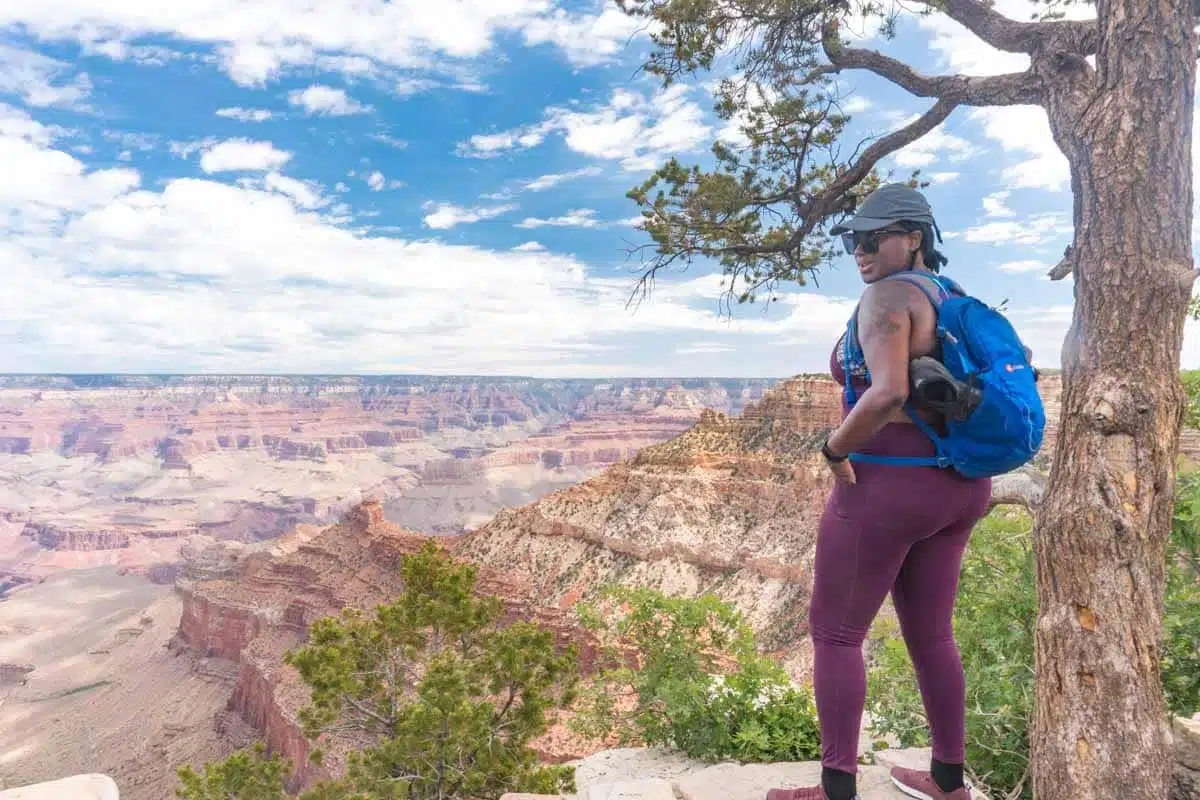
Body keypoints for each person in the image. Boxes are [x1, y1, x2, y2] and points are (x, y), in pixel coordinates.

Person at [767, 184, 992, 800]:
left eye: (872, 238)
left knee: (836, 634)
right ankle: (949, 781)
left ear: (914, 238)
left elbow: (889, 390)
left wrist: (834, 448)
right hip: (960, 486)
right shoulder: (955, 299)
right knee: (932, 635)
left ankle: (837, 791)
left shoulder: (886, 297)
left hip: (888, 489)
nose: (858, 252)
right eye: (851, 240)